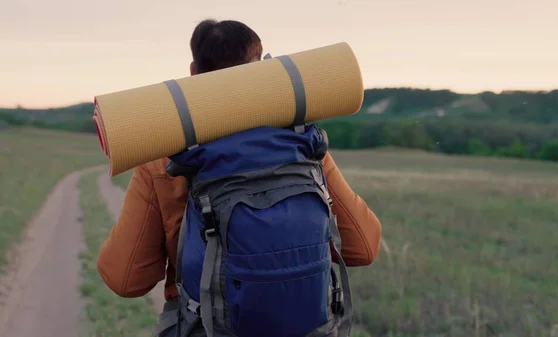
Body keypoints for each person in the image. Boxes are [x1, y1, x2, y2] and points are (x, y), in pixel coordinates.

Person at [97, 19, 382, 336]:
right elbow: (363, 248)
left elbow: (125, 280)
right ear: (261, 69)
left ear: (194, 73)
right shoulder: (299, 146)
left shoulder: (165, 157)